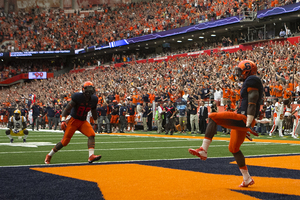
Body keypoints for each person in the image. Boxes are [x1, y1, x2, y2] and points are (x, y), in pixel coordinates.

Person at [188, 60, 263, 187]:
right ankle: (247, 178)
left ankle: (203, 150)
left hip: (244, 117)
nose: (238, 74)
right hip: (244, 117)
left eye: (240, 71)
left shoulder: (252, 80)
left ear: (247, 71)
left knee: (212, 117)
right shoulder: (250, 81)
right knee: (233, 148)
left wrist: (248, 123)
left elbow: (253, 100)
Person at [44, 81, 101, 164]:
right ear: (83, 89)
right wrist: (63, 120)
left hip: (82, 121)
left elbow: (94, 110)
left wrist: (95, 122)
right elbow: (67, 109)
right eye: (87, 89)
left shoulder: (94, 99)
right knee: (64, 142)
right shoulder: (78, 97)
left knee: (91, 134)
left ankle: (91, 156)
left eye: (91, 89)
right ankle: (49, 155)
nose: (89, 91)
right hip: (73, 121)